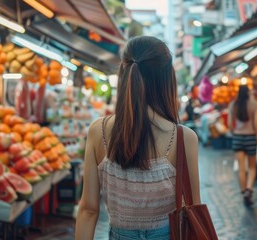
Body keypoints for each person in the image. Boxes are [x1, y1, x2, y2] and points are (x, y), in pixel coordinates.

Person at [75, 36, 200, 240]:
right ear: (168, 79)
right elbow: (193, 210)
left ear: (123, 72)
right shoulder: (185, 138)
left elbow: (88, 211)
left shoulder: (99, 131)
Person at [228, 85, 257, 205]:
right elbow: (256, 123)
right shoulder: (254, 104)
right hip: (250, 137)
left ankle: (243, 191)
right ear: (248, 92)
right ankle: (249, 189)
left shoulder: (233, 105)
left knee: (241, 168)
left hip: (238, 137)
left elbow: (230, 125)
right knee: (252, 167)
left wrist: (234, 133)